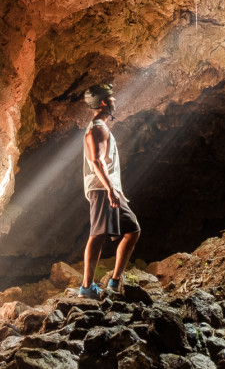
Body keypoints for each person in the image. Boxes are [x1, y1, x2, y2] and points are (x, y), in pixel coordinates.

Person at [77, 84, 139, 299]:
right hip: (102, 189)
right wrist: (111, 189)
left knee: (132, 230)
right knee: (98, 235)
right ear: (104, 102)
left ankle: (114, 280)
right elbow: (96, 160)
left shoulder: (99, 127)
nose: (115, 101)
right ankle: (87, 287)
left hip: (108, 188)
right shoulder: (98, 129)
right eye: (111, 98)